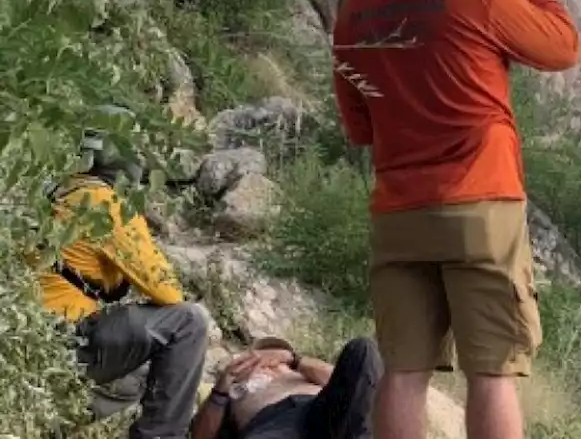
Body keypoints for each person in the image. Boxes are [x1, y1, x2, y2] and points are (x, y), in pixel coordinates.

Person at [331, 0, 581, 439]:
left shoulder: (355, 6)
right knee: (491, 373)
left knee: (404, 372)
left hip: (398, 213)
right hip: (480, 207)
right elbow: (564, 46)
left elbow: (359, 126)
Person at [36, 104, 208, 439]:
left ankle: (54, 420)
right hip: (68, 339)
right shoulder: (105, 202)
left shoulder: (57, 188)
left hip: (38, 334)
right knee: (188, 323)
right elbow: (168, 292)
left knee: (142, 372)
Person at [189, 336, 383, 439]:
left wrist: (294, 360)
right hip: (277, 424)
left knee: (363, 349)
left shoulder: (302, 370)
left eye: (276, 349)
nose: (267, 355)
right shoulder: (236, 383)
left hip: (319, 412)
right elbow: (201, 436)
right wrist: (222, 386)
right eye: (261, 351)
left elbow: (350, 385)